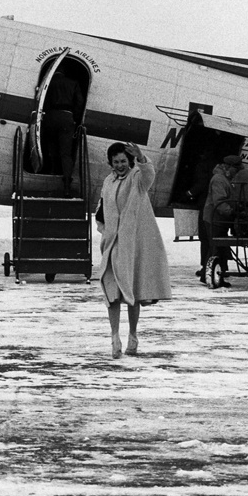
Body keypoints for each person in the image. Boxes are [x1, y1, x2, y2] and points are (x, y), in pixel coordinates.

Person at [93, 142, 173, 358]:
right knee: (111, 292)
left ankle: (133, 335)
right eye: (116, 161)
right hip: (111, 244)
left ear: (129, 162)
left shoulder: (137, 178)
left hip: (130, 245)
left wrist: (142, 158)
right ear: (110, 162)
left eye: (123, 161)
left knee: (131, 292)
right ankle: (114, 337)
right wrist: (104, 230)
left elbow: (149, 175)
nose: (120, 165)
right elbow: (102, 209)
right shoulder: (108, 181)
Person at [198, 155, 242, 288]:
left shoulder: (224, 178)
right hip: (214, 219)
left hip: (220, 219)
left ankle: (212, 276)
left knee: (217, 248)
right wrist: (232, 212)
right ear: (229, 167)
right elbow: (220, 202)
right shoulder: (219, 180)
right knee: (215, 249)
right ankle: (210, 277)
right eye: (237, 169)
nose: (237, 172)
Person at [40, 69, 86, 195]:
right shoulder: (73, 83)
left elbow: (43, 99)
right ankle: (66, 183)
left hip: (51, 116)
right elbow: (80, 101)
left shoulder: (50, 82)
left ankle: (52, 171)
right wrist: (74, 117)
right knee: (66, 153)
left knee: (51, 145)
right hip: (67, 117)